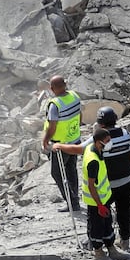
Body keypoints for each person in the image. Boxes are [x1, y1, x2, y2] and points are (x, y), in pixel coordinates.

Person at [52, 124, 117, 260]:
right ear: (98, 142)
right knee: (96, 228)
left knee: (107, 225)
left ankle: (111, 249)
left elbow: (75, 149)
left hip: (104, 198)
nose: (109, 143)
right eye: (107, 141)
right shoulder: (93, 160)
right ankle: (98, 253)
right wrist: (99, 205)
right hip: (95, 201)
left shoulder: (94, 149)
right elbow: (92, 186)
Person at [95, 107, 130, 252]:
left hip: (107, 185)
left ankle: (106, 243)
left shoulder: (99, 139)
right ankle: (125, 240)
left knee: (103, 213)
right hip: (126, 181)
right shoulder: (126, 134)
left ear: (100, 124)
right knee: (125, 211)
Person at [41, 75, 83, 211]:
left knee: (57, 173)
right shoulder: (74, 96)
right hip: (75, 140)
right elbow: (80, 115)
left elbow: (52, 126)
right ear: (65, 85)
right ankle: (75, 198)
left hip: (61, 146)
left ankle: (72, 202)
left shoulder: (55, 104)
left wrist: (45, 140)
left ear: (52, 89)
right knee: (71, 170)